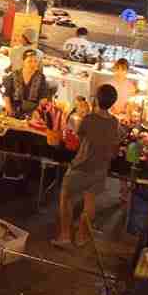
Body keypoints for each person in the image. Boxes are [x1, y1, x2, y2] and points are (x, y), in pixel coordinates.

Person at [54, 83, 124, 248]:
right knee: (90, 201)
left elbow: (77, 138)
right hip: (100, 168)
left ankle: (65, 236)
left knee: (66, 198)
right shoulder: (114, 122)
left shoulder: (89, 119)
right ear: (113, 102)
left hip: (81, 165)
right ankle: (81, 236)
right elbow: (115, 142)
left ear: (96, 100)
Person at [9, 49, 49, 118]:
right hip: (15, 109)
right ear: (23, 62)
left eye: (35, 61)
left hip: (33, 112)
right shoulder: (14, 75)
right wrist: (9, 110)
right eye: (30, 61)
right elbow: (7, 95)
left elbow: (43, 98)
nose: (33, 64)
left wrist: (37, 112)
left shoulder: (41, 77)